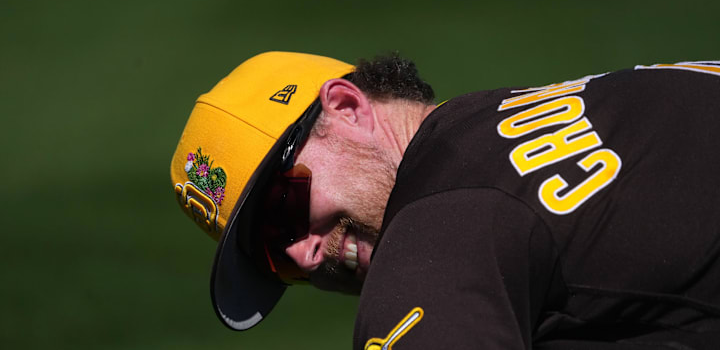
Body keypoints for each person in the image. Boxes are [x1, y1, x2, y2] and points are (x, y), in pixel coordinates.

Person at [170, 51, 720, 349]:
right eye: (272, 258)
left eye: (282, 212)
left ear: (346, 108)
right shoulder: (598, 98)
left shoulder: (432, 242)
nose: (303, 257)